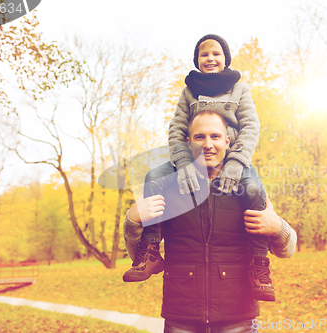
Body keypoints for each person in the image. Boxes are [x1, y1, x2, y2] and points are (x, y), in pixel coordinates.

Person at [123, 34, 273, 301]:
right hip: (191, 161)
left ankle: (259, 264)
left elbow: (251, 127)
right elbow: (177, 130)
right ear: (197, 60)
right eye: (204, 54)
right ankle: (151, 250)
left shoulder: (240, 89)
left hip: (232, 159)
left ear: (226, 59)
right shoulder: (189, 91)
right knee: (154, 176)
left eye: (216, 53)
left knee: (254, 188)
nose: (210, 58)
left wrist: (237, 162)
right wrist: (183, 166)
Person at [123, 111, 297, 332]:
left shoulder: (248, 187)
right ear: (188, 142)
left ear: (227, 141)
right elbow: (139, 256)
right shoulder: (168, 186)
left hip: (238, 318)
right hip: (181, 317)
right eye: (199, 137)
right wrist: (133, 220)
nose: (208, 145)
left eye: (215, 136)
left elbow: (287, 250)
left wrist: (278, 227)